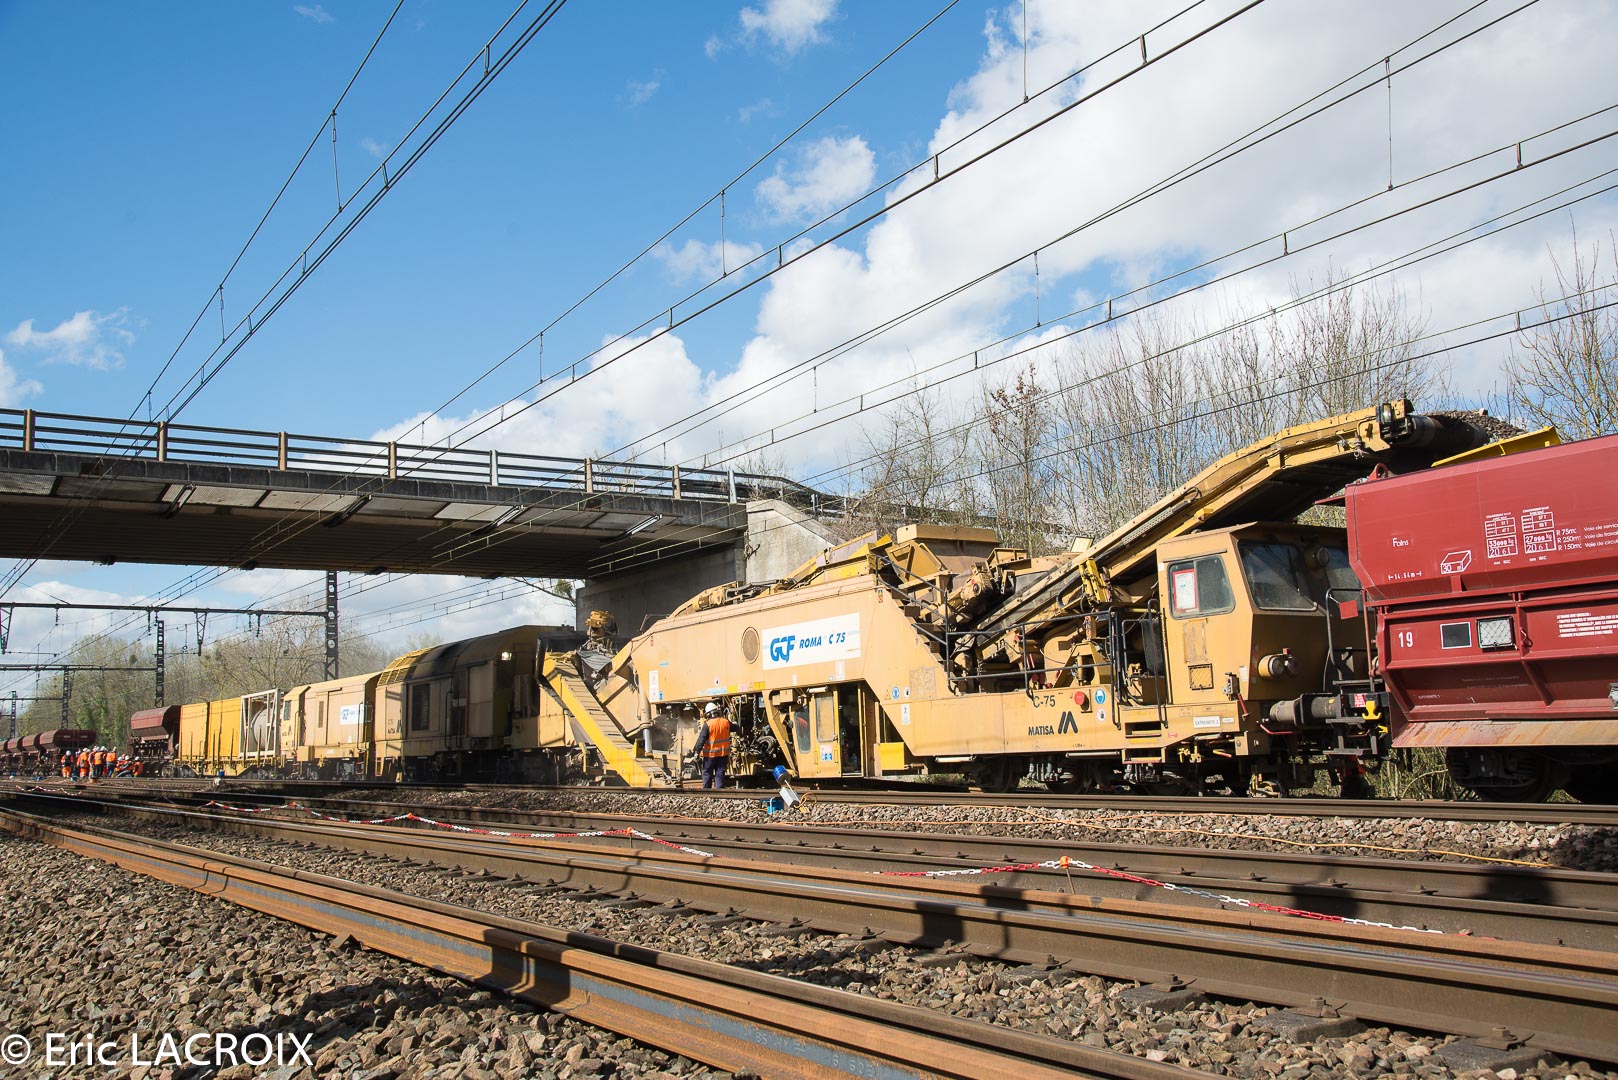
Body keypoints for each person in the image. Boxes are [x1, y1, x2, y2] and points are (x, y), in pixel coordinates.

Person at [691, 701, 731, 790]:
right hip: (723, 754)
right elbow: (736, 728)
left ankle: (707, 791)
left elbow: (701, 740)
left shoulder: (708, 725)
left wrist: (697, 752)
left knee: (707, 772)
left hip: (710, 755)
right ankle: (719, 791)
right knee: (720, 772)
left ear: (708, 714)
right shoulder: (726, 722)